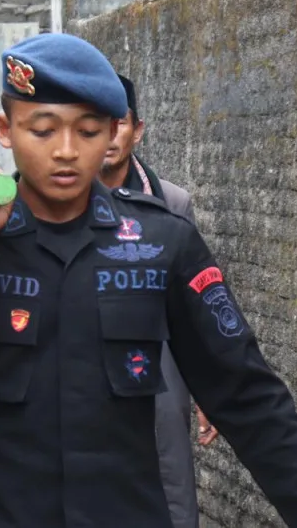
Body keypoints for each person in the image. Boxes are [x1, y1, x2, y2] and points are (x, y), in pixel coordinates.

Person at [0, 33, 297, 527]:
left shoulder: (161, 241)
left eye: (87, 131)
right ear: (5, 129)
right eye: (42, 130)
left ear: (112, 133)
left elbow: (249, 399)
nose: (66, 151)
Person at [100, 74, 212, 528]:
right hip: (88, 353)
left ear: (138, 130)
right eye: (96, 124)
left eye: (120, 123)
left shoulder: (171, 202)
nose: (110, 136)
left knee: (171, 483)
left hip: (159, 355)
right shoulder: (61, 202)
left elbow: (194, 306)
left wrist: (208, 387)